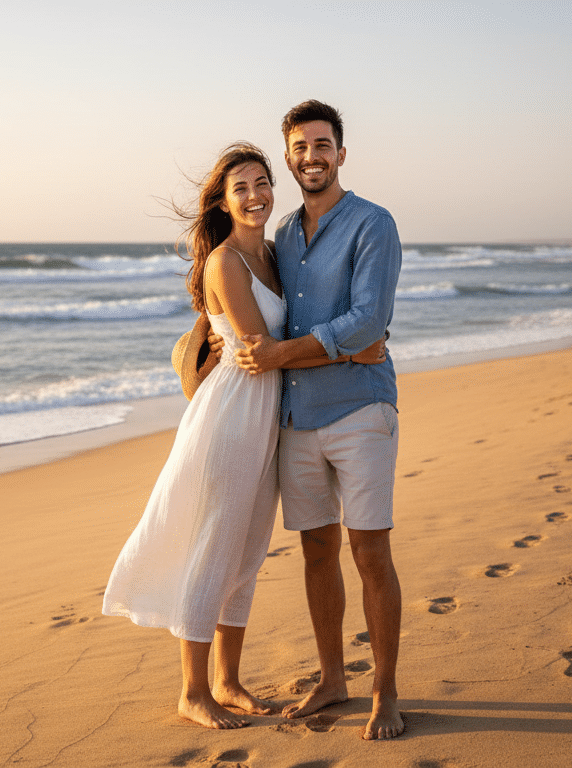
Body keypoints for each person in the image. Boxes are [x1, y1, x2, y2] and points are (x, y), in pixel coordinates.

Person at [103, 142, 383, 730]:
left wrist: (350, 338)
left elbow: (298, 330)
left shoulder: (276, 255)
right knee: (216, 544)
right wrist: (355, 351)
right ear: (224, 202)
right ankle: (193, 691)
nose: (256, 196)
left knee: (249, 551)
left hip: (270, 418)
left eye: (262, 184)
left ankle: (228, 681)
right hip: (232, 416)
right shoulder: (226, 262)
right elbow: (263, 351)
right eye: (242, 188)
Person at [235, 100, 406, 740]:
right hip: (298, 416)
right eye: (301, 147)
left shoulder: (373, 224)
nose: (312, 156)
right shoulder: (281, 236)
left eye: (323, 144)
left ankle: (384, 693)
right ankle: (334, 679)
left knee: (369, 550)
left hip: (361, 407)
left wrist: (281, 354)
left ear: (341, 152)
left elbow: (368, 320)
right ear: (289, 157)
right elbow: (267, 306)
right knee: (315, 551)